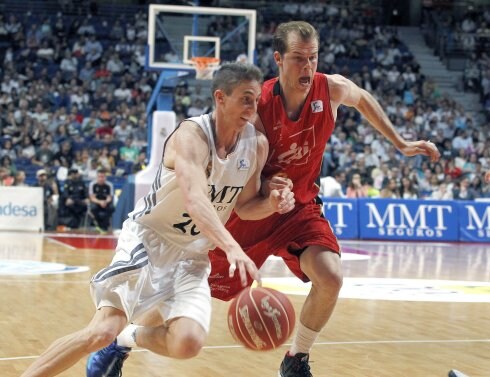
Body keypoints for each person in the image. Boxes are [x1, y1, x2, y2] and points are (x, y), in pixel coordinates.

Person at [88, 21, 440, 377]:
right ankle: (124, 341)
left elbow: (362, 98)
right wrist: (271, 185)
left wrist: (401, 142)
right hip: (250, 209)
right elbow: (244, 172)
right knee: (177, 287)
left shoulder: (330, 89)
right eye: (299, 58)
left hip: (299, 208)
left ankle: (296, 359)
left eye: (313, 58)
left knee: (331, 277)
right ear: (279, 59)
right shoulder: (256, 108)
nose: (308, 67)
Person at [21, 62, 295, 377]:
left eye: (256, 98)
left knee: (188, 343)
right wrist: (231, 246)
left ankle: (129, 336)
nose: (253, 106)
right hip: (149, 241)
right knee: (101, 332)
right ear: (220, 98)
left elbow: (245, 206)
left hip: (193, 255)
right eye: (245, 98)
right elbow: (195, 200)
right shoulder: (190, 135)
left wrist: (272, 203)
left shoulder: (256, 145)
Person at [88, 168, 115, 232]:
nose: (101, 178)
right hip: (96, 202)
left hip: (106, 202)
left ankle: (105, 226)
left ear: (105, 177)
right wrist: (100, 202)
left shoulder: (109, 185)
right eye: (99, 177)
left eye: (103, 177)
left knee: (111, 208)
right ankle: (98, 225)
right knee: (93, 208)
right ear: (97, 177)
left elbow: (110, 197)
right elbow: (92, 198)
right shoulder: (92, 184)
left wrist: (105, 202)